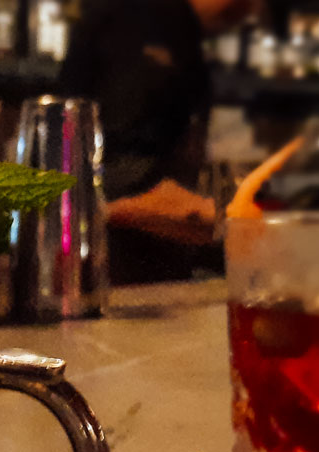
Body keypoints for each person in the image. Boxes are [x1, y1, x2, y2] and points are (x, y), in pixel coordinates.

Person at [61, 0, 260, 284]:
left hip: (159, 279)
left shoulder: (187, 34)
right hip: (107, 277)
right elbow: (111, 176)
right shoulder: (139, 22)